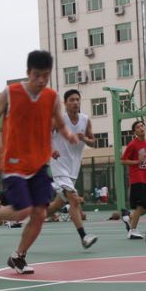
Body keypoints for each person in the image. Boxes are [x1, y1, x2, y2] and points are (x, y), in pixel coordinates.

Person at [0, 50, 78, 274]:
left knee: (40, 213)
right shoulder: (11, 93)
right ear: (27, 72)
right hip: (14, 163)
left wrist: (69, 135)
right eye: (36, 75)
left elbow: (60, 124)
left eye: (46, 76)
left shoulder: (52, 97)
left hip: (39, 162)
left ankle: (18, 256)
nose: (41, 80)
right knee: (23, 211)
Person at [45, 89, 98, 249]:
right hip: (59, 165)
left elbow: (93, 142)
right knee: (74, 199)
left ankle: (36, 218)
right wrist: (51, 150)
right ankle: (84, 237)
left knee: (56, 205)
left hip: (73, 168)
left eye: (77, 99)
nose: (75, 102)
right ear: (65, 103)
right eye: (71, 100)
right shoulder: (59, 120)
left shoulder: (85, 120)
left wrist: (85, 139)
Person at [120, 120, 146, 239]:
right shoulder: (132, 144)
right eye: (138, 127)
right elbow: (123, 161)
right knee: (140, 205)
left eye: (142, 126)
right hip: (137, 179)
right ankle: (132, 230)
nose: (141, 128)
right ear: (135, 132)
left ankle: (130, 217)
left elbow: (145, 160)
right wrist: (137, 162)